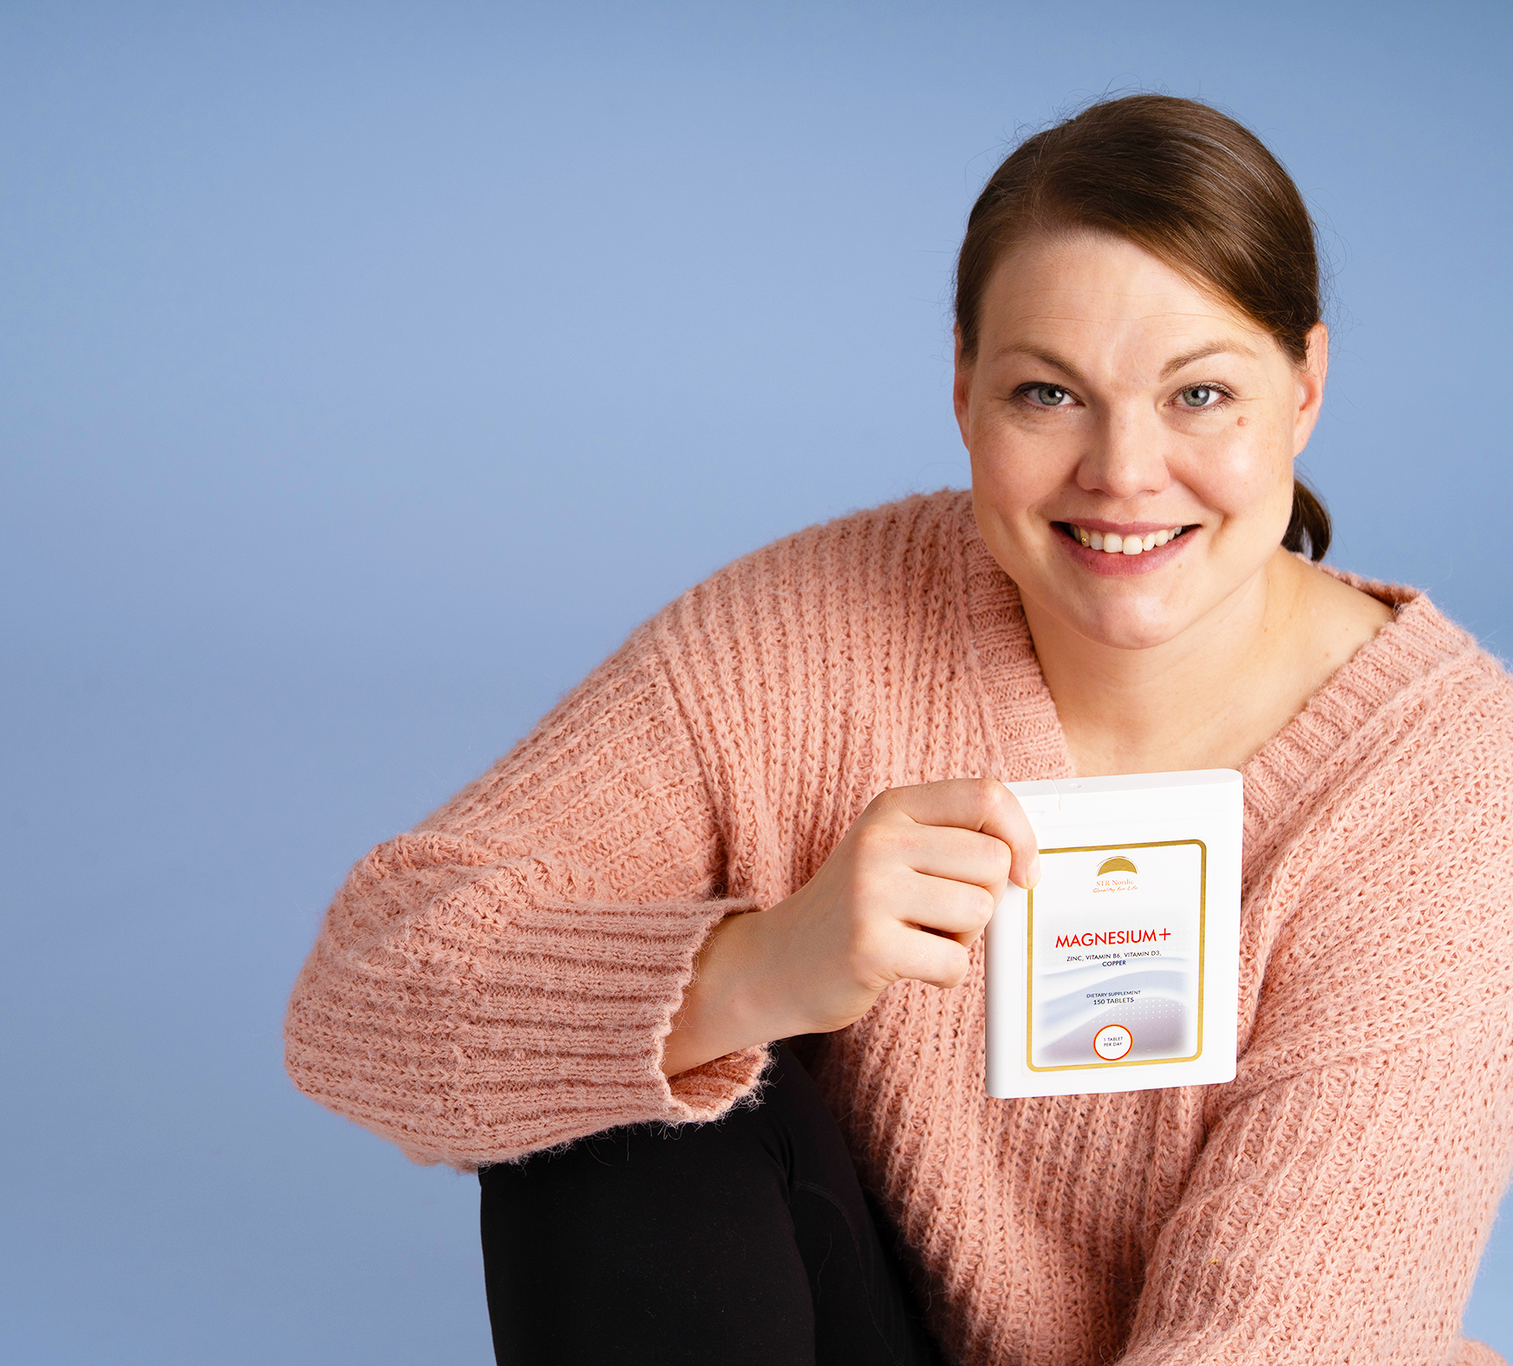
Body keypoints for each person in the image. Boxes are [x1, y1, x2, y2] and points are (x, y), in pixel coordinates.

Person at [283, 94, 1513, 1364]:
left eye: (1199, 394)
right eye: (1048, 393)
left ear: (1303, 391)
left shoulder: (1451, 791)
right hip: (851, 1321)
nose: (1123, 470)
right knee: (602, 1085)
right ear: (965, 394)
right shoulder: (808, 638)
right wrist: (752, 970)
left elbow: (1278, 1342)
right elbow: (358, 999)